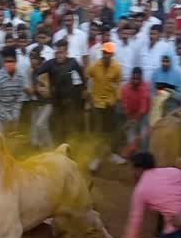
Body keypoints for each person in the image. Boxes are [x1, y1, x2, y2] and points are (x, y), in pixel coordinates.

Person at [34, 39, 85, 141]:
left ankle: (70, 145)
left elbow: (82, 76)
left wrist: (85, 89)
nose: (59, 55)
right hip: (55, 101)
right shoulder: (50, 64)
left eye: (61, 53)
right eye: (57, 53)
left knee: (69, 126)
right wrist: (38, 85)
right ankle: (56, 147)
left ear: (66, 53)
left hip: (69, 100)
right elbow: (36, 73)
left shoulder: (72, 62)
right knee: (56, 126)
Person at [86, 42, 126, 170]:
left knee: (111, 131)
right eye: (104, 53)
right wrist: (88, 92)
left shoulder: (117, 67)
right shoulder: (95, 66)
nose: (106, 55)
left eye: (108, 53)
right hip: (97, 104)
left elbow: (119, 82)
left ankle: (112, 154)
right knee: (98, 132)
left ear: (112, 54)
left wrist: (118, 97)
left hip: (110, 103)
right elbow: (87, 75)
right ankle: (96, 158)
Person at [0, 47, 25, 134]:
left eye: (11, 61)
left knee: (11, 141)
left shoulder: (20, 77)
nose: (9, 64)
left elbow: (19, 98)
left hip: (13, 115)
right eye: (7, 62)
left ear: (16, 61)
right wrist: (7, 116)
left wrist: (14, 115)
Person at [120, 67, 150, 150]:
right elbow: (124, 106)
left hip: (143, 116)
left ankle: (143, 156)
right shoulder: (125, 88)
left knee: (143, 137)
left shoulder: (145, 87)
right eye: (133, 78)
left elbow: (143, 108)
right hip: (130, 116)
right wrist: (130, 120)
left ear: (141, 78)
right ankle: (133, 158)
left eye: (138, 79)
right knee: (131, 139)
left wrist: (135, 120)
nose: (135, 80)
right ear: (131, 77)